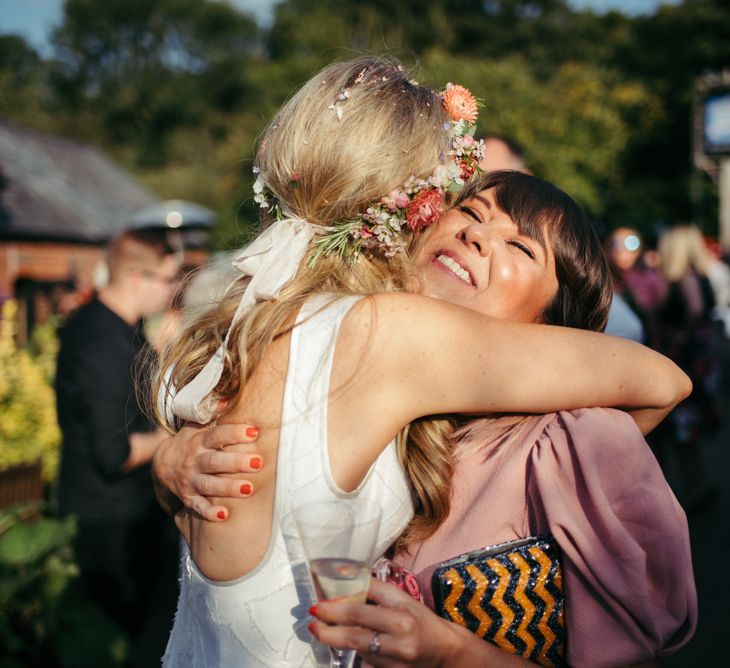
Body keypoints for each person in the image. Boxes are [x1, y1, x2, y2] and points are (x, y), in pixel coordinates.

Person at [153, 58, 690, 667]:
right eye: (468, 210)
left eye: (519, 245)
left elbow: (665, 380)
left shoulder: (284, 320)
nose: (477, 236)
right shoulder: (378, 335)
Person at [55, 229, 182, 666]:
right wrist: (177, 437)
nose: (173, 289)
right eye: (169, 279)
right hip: (108, 522)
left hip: (133, 512)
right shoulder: (96, 339)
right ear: (137, 277)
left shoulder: (124, 331)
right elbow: (117, 452)